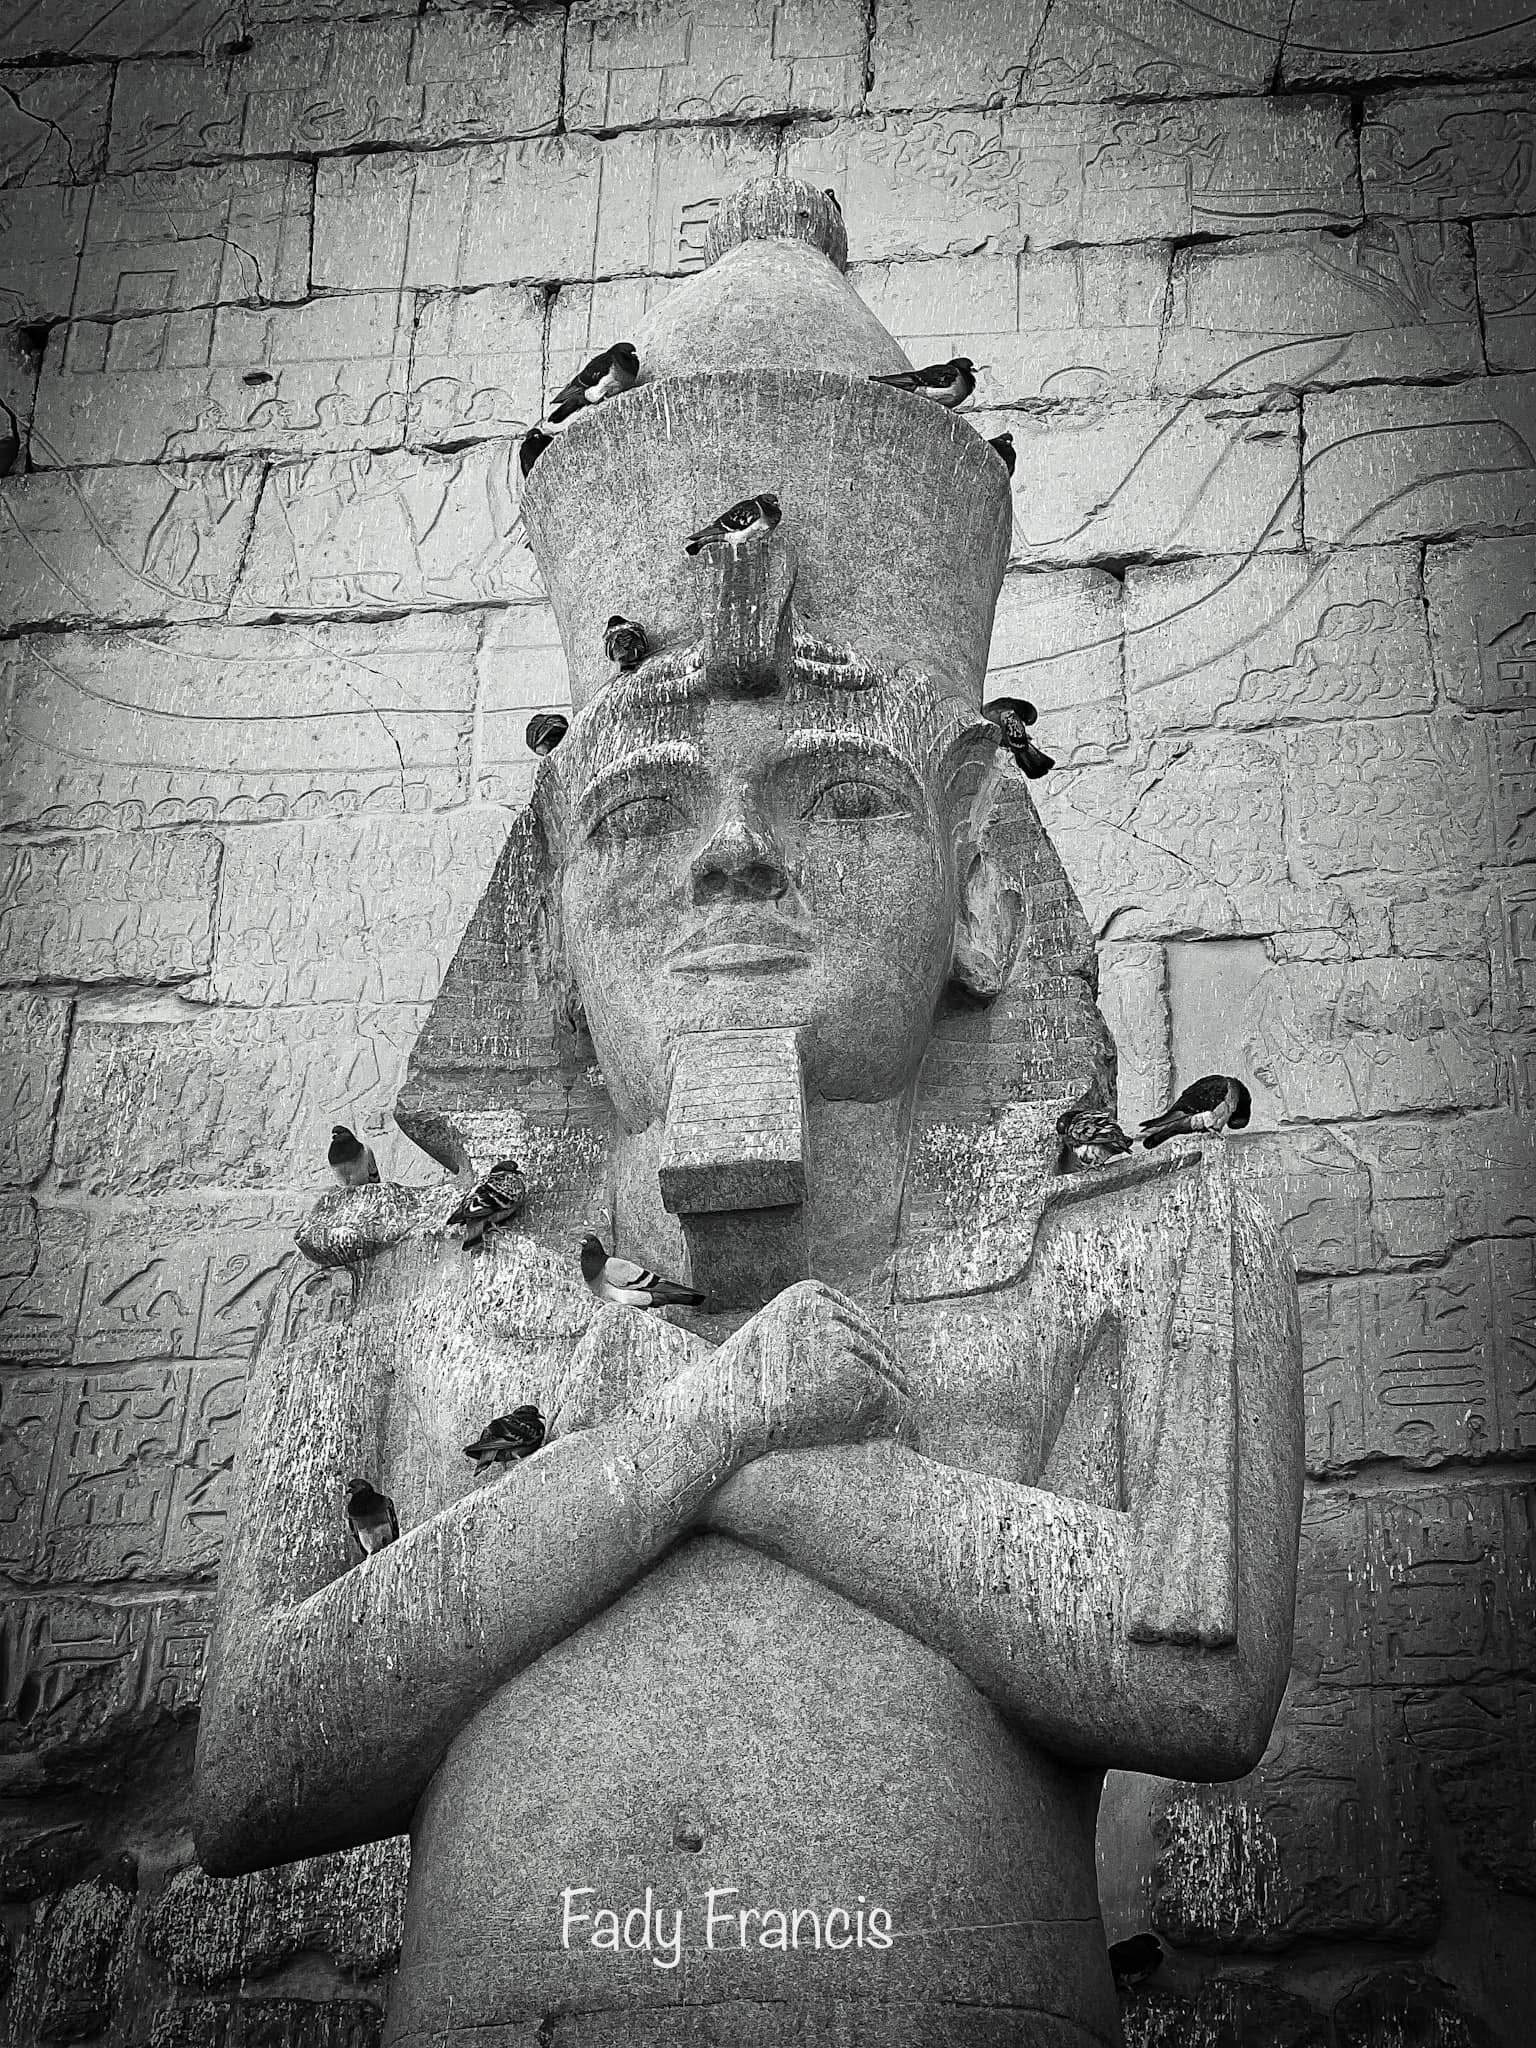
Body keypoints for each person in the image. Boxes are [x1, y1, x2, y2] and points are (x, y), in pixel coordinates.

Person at [194, 178, 1302, 2048]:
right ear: (550, 937)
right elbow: (251, 1762)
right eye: (646, 814)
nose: (731, 862)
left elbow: (1195, 1671)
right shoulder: (379, 1291)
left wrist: (726, 1443)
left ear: (980, 896)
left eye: (840, 798)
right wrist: (713, 1415)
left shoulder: (1157, 1244)